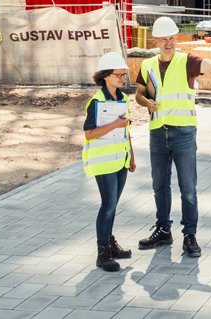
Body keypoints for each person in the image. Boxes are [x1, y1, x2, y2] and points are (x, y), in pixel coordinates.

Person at [134, 15, 211, 258]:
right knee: (159, 185)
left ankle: (189, 235)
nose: (168, 42)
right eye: (163, 39)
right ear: (156, 40)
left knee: (188, 187)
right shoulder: (147, 65)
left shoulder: (187, 61)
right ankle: (163, 229)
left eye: (171, 38)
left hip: (183, 131)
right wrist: (146, 103)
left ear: (176, 38)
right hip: (158, 132)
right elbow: (140, 93)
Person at [82, 51, 136, 272]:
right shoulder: (96, 102)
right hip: (104, 163)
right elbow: (89, 134)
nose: (122, 78)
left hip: (120, 160)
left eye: (124, 74)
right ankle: (102, 252)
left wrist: (131, 155)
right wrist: (114, 125)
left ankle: (109, 244)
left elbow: (126, 130)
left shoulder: (122, 98)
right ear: (105, 76)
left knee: (112, 206)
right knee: (108, 205)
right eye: (118, 75)